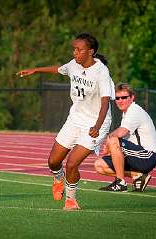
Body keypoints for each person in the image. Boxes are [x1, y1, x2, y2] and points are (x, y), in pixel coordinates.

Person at [17, 32, 115, 210]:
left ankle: (71, 200)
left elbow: (105, 102)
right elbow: (59, 69)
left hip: (95, 124)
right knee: (53, 162)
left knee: (72, 163)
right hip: (74, 120)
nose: (75, 53)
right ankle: (57, 177)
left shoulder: (102, 72)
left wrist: (98, 126)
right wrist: (36, 70)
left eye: (79, 50)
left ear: (91, 52)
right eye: (74, 49)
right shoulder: (74, 64)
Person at [94, 83, 156, 192]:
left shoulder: (134, 110)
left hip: (147, 156)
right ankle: (138, 175)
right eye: (117, 98)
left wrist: (108, 142)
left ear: (132, 97)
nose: (120, 100)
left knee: (114, 140)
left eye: (124, 97)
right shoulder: (126, 113)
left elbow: (121, 133)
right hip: (135, 155)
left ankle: (120, 183)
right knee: (99, 165)